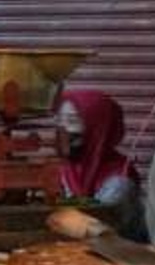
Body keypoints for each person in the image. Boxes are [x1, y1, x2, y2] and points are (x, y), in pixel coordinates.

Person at [55, 88, 147, 241]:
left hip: (122, 258)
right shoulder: (67, 170)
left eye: (72, 121)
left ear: (98, 129)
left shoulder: (119, 181)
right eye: (59, 120)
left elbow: (98, 228)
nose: (62, 129)